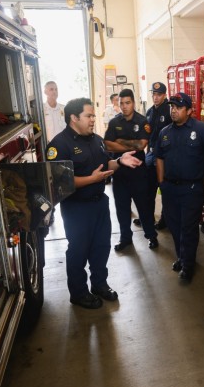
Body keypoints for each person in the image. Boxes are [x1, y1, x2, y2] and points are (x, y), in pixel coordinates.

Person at [45, 97, 142, 309]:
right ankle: (79, 293)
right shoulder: (59, 145)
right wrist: (92, 179)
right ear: (73, 118)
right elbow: (60, 182)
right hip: (77, 207)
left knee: (101, 247)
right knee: (78, 250)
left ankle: (99, 284)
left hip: (99, 204)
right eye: (88, 116)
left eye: (93, 116)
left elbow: (106, 164)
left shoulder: (96, 139)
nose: (92, 120)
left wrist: (119, 161)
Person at [155, 92, 204, 281]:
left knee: (188, 228)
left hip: (191, 189)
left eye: (179, 107)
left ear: (189, 111)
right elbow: (159, 157)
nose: (174, 110)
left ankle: (188, 265)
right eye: (172, 107)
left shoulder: (202, 130)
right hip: (170, 189)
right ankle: (182, 257)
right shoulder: (165, 132)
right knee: (174, 226)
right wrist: (161, 183)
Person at [104, 89, 159, 252]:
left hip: (138, 173)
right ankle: (125, 238)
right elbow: (107, 144)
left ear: (133, 103)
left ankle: (151, 236)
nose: (124, 106)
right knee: (122, 209)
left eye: (127, 103)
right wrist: (129, 143)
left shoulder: (142, 121)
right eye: (121, 103)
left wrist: (119, 141)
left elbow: (141, 145)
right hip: (120, 174)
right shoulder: (114, 122)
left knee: (144, 207)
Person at [135, 81, 172, 230]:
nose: (155, 97)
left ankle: (165, 219)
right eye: (154, 94)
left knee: (164, 190)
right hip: (151, 156)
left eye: (159, 95)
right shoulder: (150, 111)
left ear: (164, 95)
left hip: (164, 158)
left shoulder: (169, 111)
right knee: (148, 189)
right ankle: (147, 217)